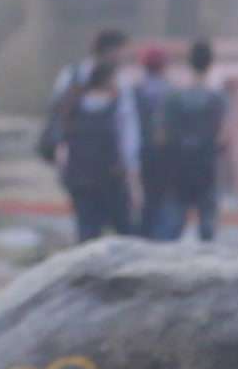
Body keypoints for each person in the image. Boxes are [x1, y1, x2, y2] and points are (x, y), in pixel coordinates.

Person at [155, 40, 229, 242]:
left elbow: (161, 136)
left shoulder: (173, 98)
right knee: (207, 227)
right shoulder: (217, 99)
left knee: (172, 225)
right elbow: (223, 137)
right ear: (210, 64)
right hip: (206, 167)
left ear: (189, 62)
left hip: (179, 167)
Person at [60, 61, 141, 242]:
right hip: (111, 180)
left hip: (80, 179)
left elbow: (63, 149)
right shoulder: (117, 107)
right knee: (124, 231)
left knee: (86, 232)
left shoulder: (74, 106)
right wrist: (133, 183)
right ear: (107, 80)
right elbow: (128, 146)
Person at [132, 47, 175, 240]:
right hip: (166, 155)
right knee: (163, 202)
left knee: (145, 202)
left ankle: (145, 236)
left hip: (142, 153)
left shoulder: (135, 92)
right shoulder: (171, 92)